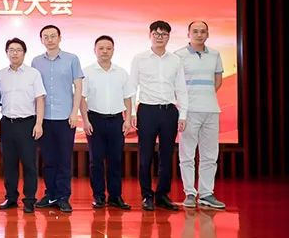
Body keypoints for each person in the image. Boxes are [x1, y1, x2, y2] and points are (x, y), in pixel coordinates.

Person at [130, 20, 189, 211]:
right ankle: (146, 195)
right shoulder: (139, 58)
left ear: (169, 37)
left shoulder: (175, 60)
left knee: (166, 155)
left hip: (169, 111)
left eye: (164, 34)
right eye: (156, 34)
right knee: (145, 155)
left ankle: (162, 195)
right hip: (147, 110)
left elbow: (181, 88)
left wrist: (183, 114)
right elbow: (132, 87)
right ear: (150, 35)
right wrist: (132, 113)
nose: (160, 37)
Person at [31, 25, 84, 213]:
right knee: (48, 159)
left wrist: (74, 112)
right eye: (46, 36)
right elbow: (34, 90)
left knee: (64, 159)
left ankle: (63, 197)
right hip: (44, 118)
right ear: (41, 40)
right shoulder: (36, 61)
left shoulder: (72, 59)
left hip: (65, 117)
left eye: (53, 36)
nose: (50, 39)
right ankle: (50, 194)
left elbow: (78, 87)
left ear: (60, 38)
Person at [175, 21, 226, 210]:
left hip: (211, 110)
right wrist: (186, 104)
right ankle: (190, 193)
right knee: (187, 154)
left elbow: (218, 79)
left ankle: (206, 194)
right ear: (188, 34)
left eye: (203, 31)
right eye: (195, 31)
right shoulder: (178, 56)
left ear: (208, 34)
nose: (199, 34)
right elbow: (175, 84)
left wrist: (206, 96)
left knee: (210, 155)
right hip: (188, 112)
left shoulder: (215, 54)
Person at [80, 35, 135, 210]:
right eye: (101, 48)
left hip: (117, 120)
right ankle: (98, 196)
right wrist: (85, 120)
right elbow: (81, 98)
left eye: (108, 48)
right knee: (96, 161)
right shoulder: (87, 72)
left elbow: (127, 97)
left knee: (115, 160)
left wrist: (127, 119)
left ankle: (115, 196)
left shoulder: (121, 72)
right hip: (95, 120)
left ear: (113, 50)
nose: (105, 51)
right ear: (95, 50)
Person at [0, 38, 46, 214]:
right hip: (7, 123)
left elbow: (40, 99)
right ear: (6, 53)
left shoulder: (33, 74)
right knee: (9, 164)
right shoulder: (0, 75)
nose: (14, 53)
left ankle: (30, 200)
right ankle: (11, 197)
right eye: (11, 50)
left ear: (24, 53)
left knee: (29, 164)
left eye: (18, 50)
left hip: (27, 124)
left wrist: (39, 123)